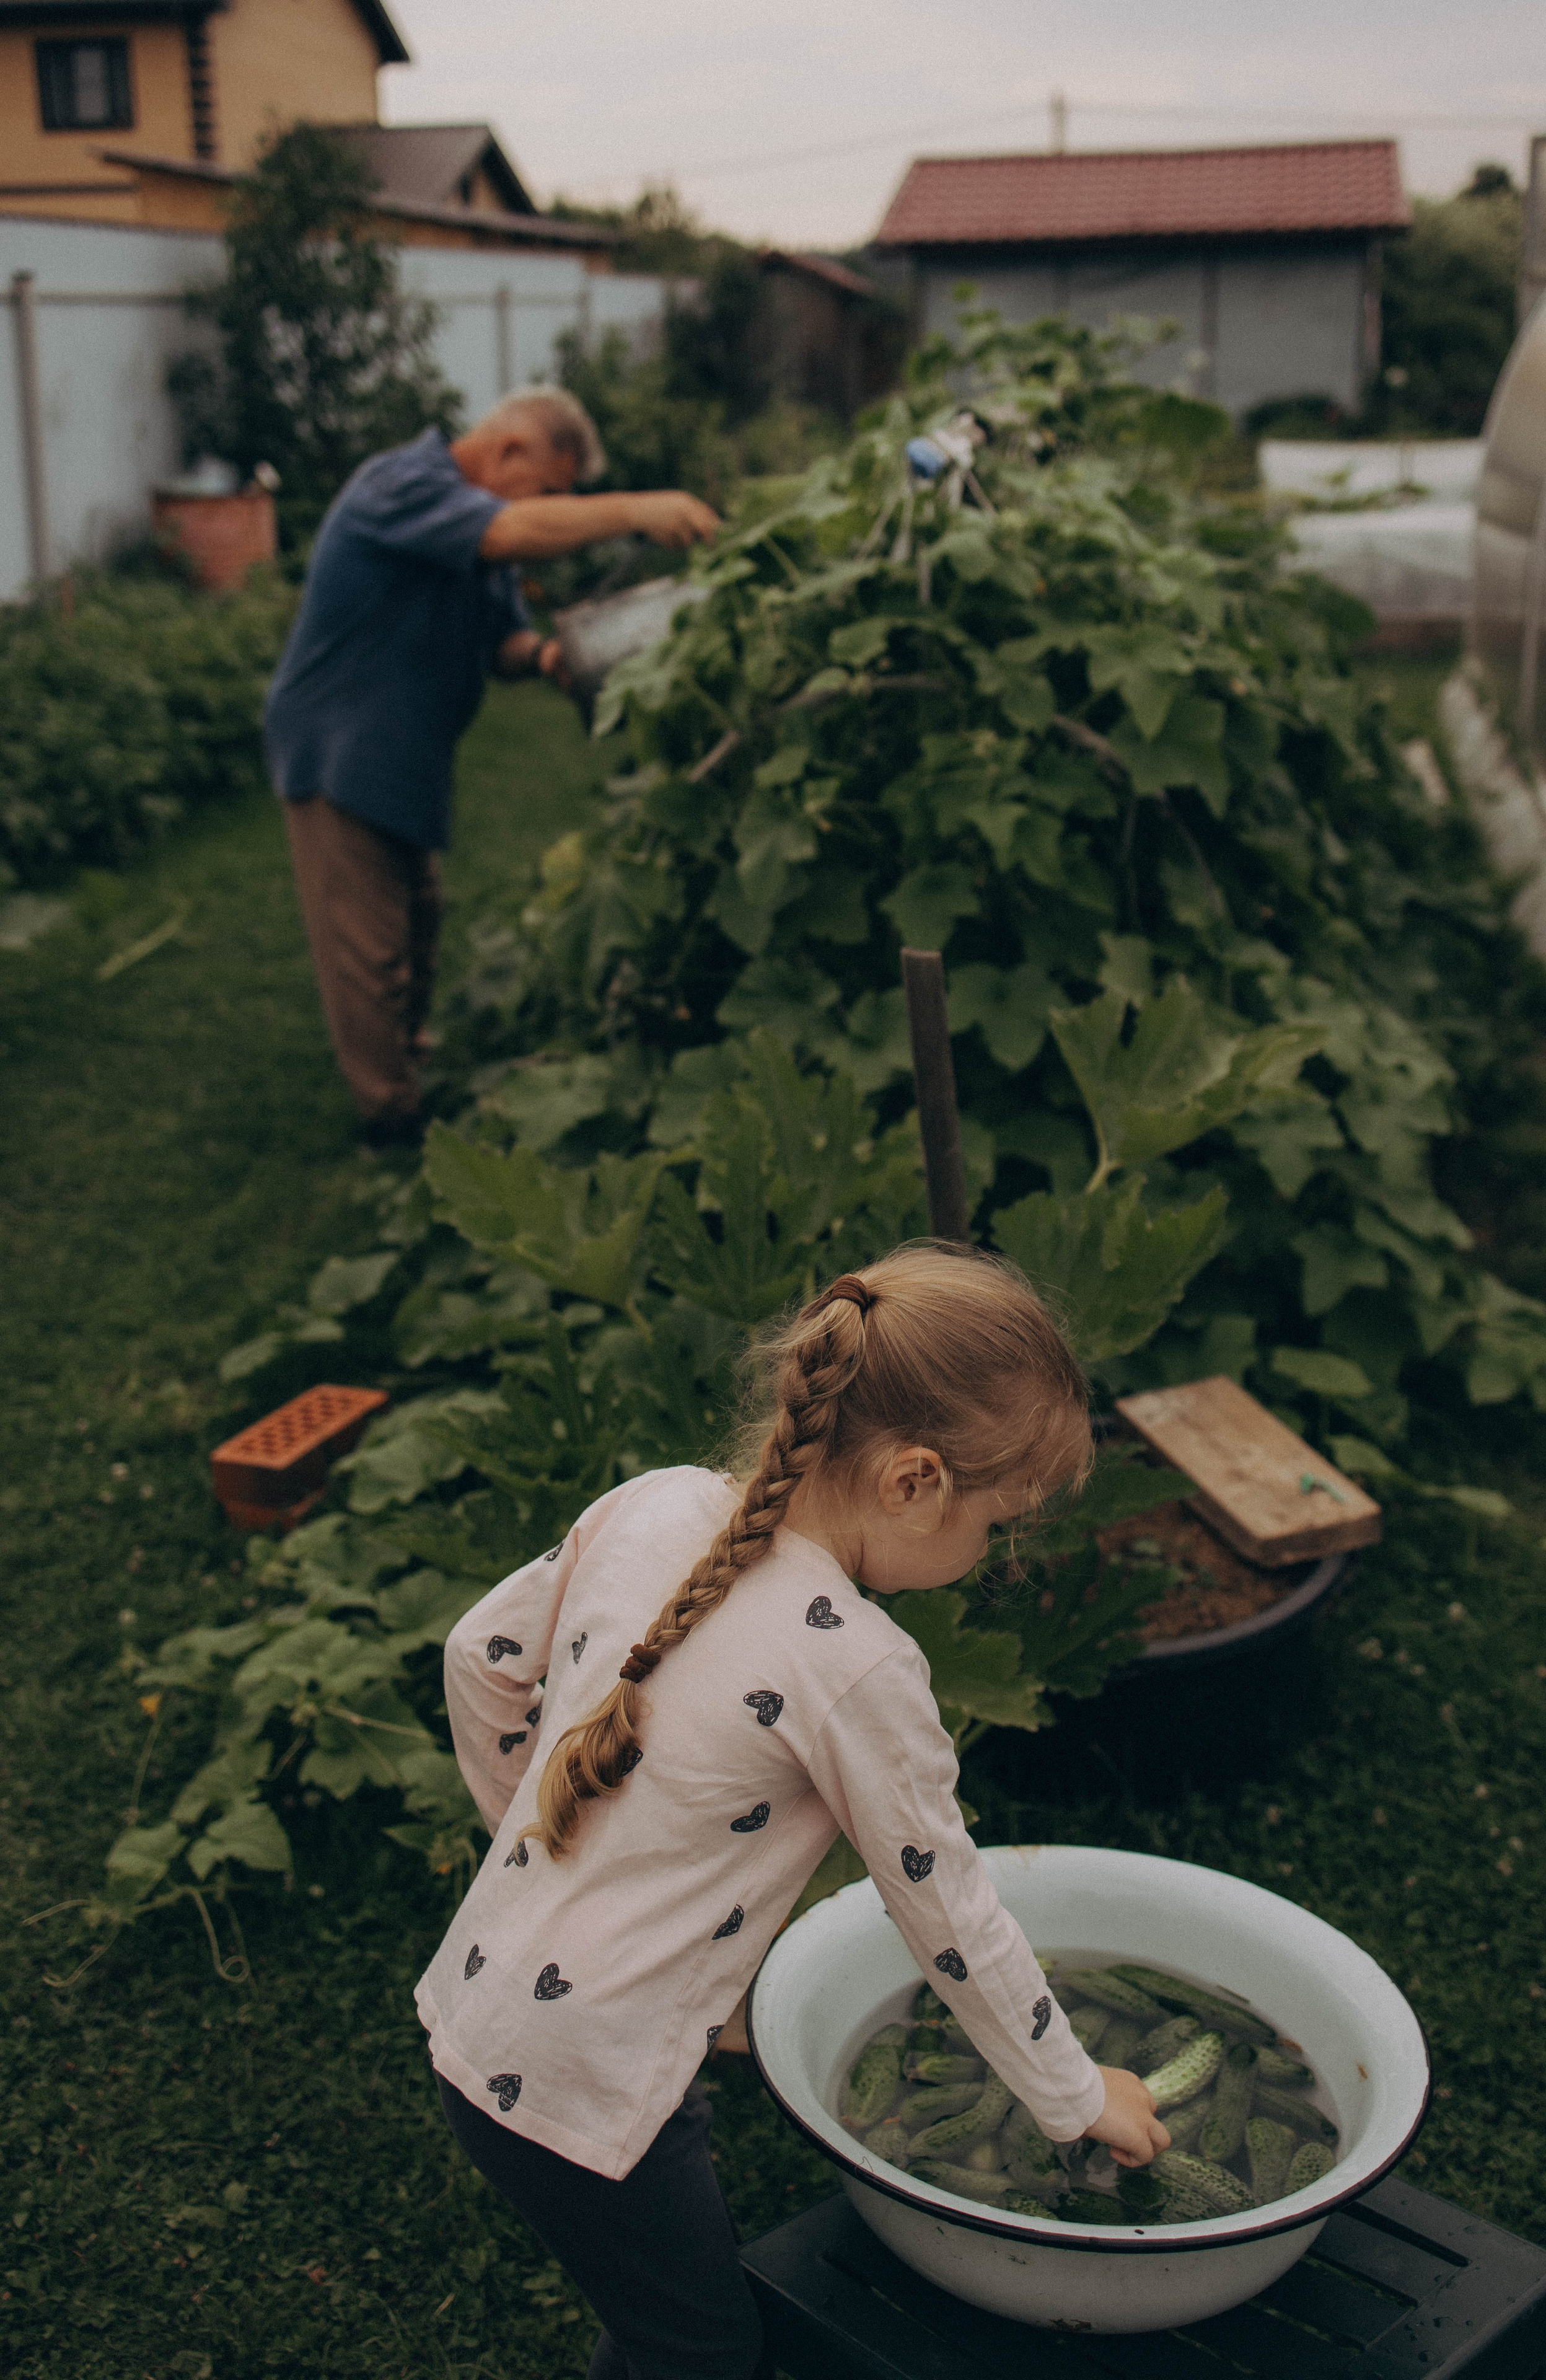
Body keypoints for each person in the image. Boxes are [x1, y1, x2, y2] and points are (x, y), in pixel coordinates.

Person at [416, 1243, 1169, 2380]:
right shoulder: (857, 1669)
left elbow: (480, 1659)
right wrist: (1072, 2095)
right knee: (702, 2348)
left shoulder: (656, 1503)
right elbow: (951, 1916)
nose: (992, 1556)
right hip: (582, 2084)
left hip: (483, 2007)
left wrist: (532, 1833)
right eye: (997, 1524)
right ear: (913, 1481)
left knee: (663, 2307)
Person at [263, 388, 719, 1152]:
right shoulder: (401, 484)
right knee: (366, 943)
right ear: (508, 451)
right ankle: (391, 1121)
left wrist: (545, 657)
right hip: (339, 740)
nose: (553, 509)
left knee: (418, 921)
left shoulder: (472, 533)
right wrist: (636, 509)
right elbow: (513, 532)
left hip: (404, 752)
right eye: (549, 489)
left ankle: (407, 1063)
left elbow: (502, 641)